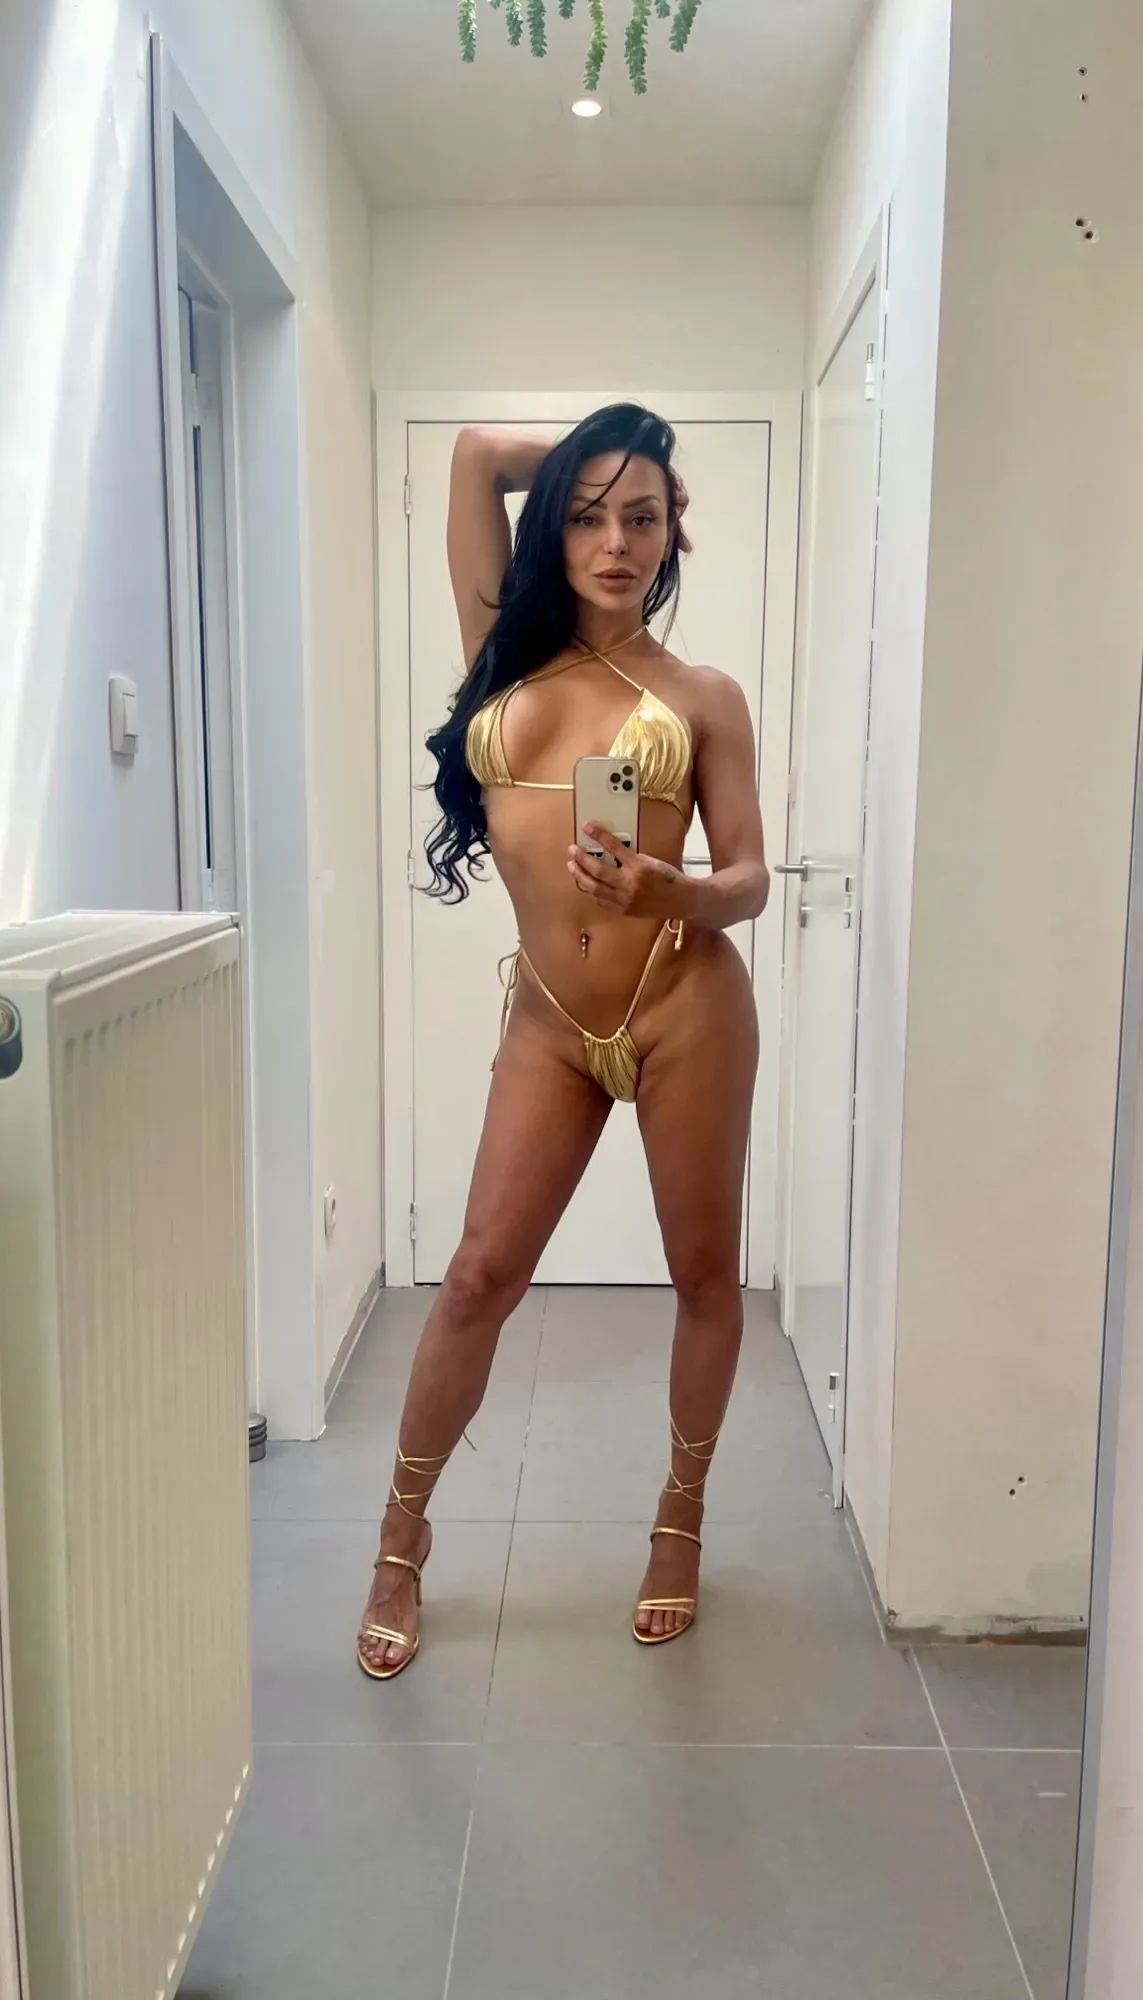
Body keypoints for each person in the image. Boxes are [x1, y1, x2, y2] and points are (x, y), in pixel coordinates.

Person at [357, 404, 769, 1679]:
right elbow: (476, 453)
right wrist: (625, 453)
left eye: (641, 518)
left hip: (684, 1002)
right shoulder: (504, 654)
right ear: (554, 528)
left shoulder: (702, 696)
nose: (613, 543)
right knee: (477, 1275)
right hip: (549, 1017)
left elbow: (750, 877)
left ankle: (678, 1518)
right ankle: (400, 1538)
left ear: (672, 534)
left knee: (702, 1275)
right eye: (587, 516)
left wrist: (671, 889)